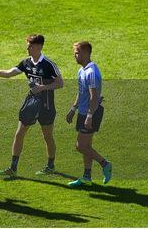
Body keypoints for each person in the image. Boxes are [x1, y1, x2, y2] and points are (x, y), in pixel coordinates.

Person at [0, 34, 63, 177]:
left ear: (38, 47)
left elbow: (60, 83)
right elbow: (9, 73)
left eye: (30, 45)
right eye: (27, 45)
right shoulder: (26, 63)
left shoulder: (48, 64)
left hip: (46, 105)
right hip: (31, 102)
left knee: (47, 136)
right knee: (19, 133)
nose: (27, 47)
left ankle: (50, 165)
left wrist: (42, 87)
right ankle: (13, 168)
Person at [66, 41, 112, 187]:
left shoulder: (91, 73)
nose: (75, 55)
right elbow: (82, 93)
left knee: (80, 146)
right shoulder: (82, 70)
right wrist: (73, 109)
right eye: (74, 52)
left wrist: (89, 116)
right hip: (83, 112)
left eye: (77, 53)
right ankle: (86, 176)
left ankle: (105, 164)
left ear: (86, 53)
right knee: (87, 146)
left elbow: (93, 97)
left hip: (90, 113)